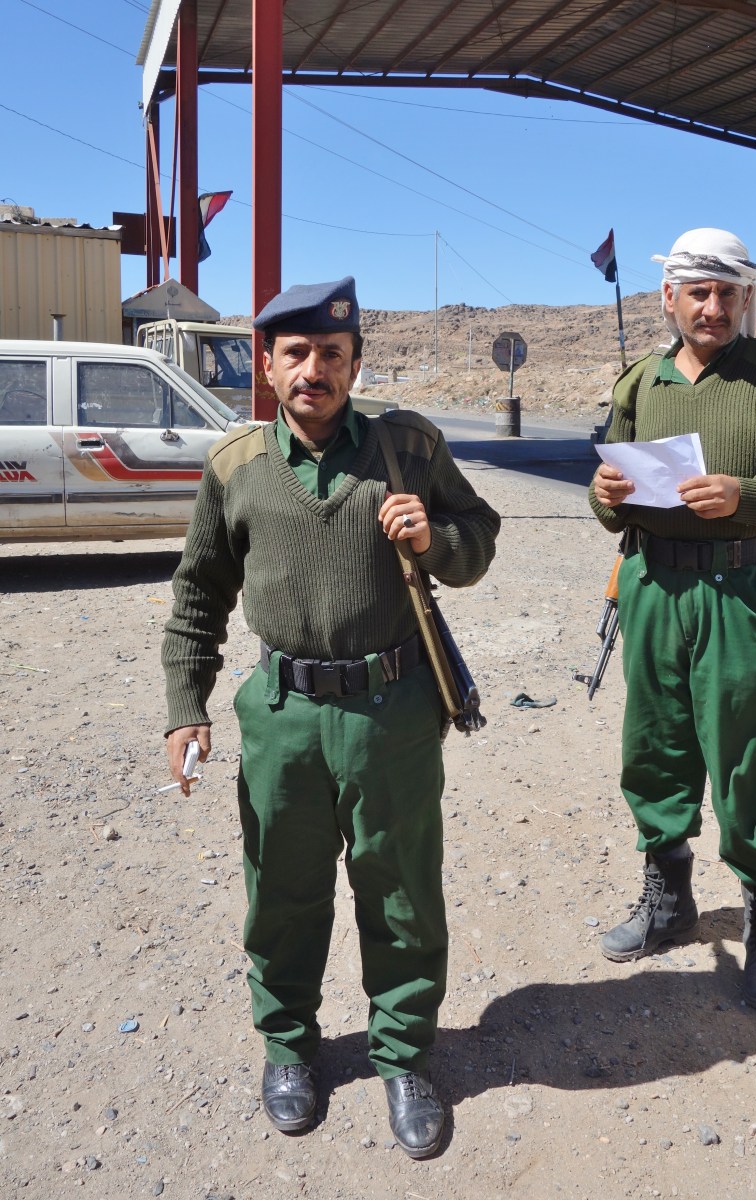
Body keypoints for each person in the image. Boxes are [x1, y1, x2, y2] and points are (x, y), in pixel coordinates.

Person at [161, 277, 499, 1157]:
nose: (316, 370)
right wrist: (183, 706)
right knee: (282, 894)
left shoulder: (407, 445)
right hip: (284, 718)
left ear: (355, 362)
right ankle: (288, 1047)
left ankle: (405, 1056)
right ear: (269, 365)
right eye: (297, 354)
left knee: (401, 894)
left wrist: (435, 540)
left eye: (333, 355)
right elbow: (199, 591)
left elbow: (478, 540)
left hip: (392, 710)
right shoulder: (236, 466)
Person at [589, 229, 756, 1011]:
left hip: (741, 595)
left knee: (746, 758)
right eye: (697, 292)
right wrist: (605, 499)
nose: (712, 306)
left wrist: (751, 499)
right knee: (656, 748)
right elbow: (614, 494)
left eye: (726, 292)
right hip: (653, 591)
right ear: (668, 298)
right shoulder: (642, 381)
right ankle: (670, 903)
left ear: (745, 298)